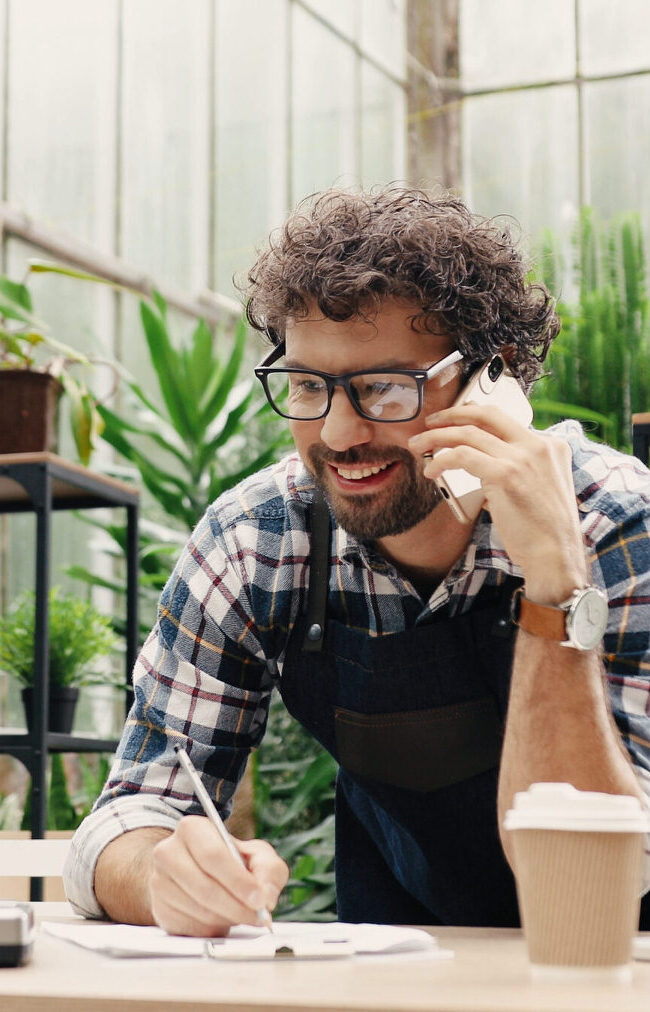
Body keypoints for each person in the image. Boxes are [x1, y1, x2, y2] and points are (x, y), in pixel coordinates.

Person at [64, 187, 650, 934]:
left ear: (493, 379)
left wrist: (556, 590)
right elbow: (129, 815)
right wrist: (161, 877)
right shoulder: (257, 543)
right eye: (309, 386)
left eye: (383, 388)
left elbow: (603, 876)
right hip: (397, 966)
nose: (339, 434)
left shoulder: (618, 523)